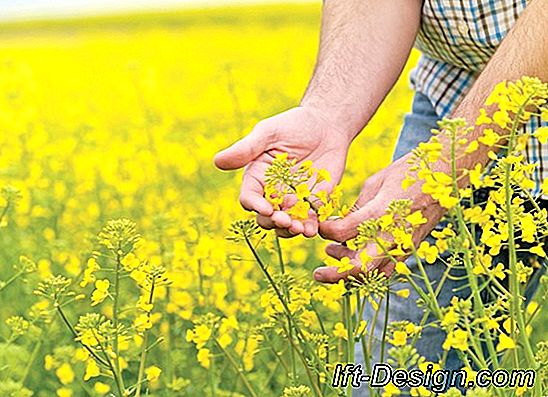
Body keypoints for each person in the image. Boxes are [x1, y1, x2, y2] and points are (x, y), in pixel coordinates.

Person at [214, 0, 547, 393]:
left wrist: (443, 166)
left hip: (476, 120)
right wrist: (326, 113)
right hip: (459, 93)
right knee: (390, 375)